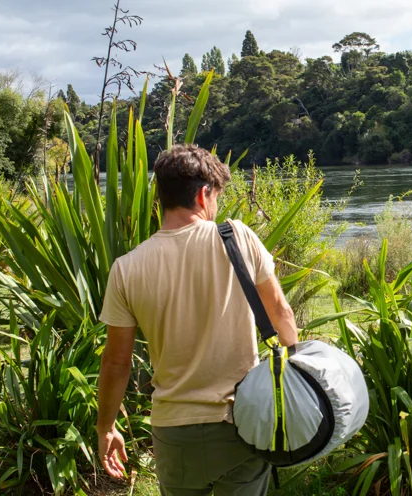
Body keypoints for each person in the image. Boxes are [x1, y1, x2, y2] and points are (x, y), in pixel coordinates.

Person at [95, 144, 298, 495]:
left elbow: (116, 362)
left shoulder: (126, 268)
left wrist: (106, 428)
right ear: (204, 194)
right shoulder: (237, 237)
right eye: (216, 196)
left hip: (174, 432)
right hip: (240, 421)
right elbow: (280, 312)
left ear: (162, 196)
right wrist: (299, 379)